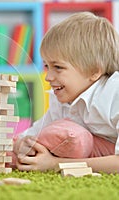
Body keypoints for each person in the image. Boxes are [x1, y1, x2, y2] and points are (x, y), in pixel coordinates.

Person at [13, 12, 119, 173]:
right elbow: (35, 133)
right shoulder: (62, 97)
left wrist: (55, 164)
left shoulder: (114, 94)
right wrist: (22, 144)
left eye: (58, 67)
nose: (48, 77)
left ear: (94, 72)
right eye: (47, 66)